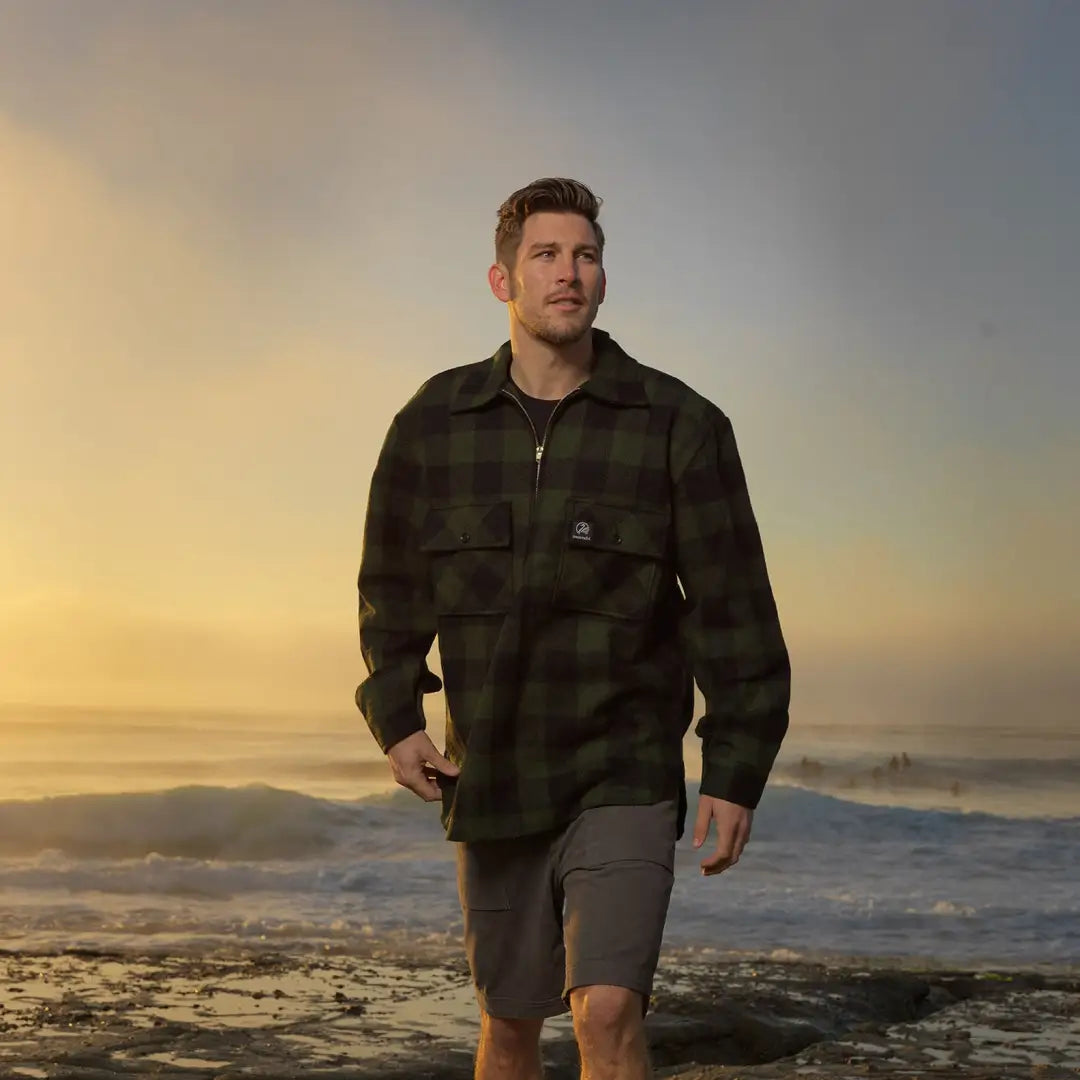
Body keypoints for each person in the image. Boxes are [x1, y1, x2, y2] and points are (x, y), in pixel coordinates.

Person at [356, 178, 790, 1080]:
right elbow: (392, 589)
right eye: (546, 256)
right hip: (495, 770)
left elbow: (735, 609)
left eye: (585, 256)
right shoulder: (433, 426)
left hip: (623, 768)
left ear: (603, 278)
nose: (568, 273)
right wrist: (396, 713)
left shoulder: (681, 426)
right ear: (501, 279)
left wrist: (735, 767)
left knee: (605, 1010)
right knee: (510, 1024)